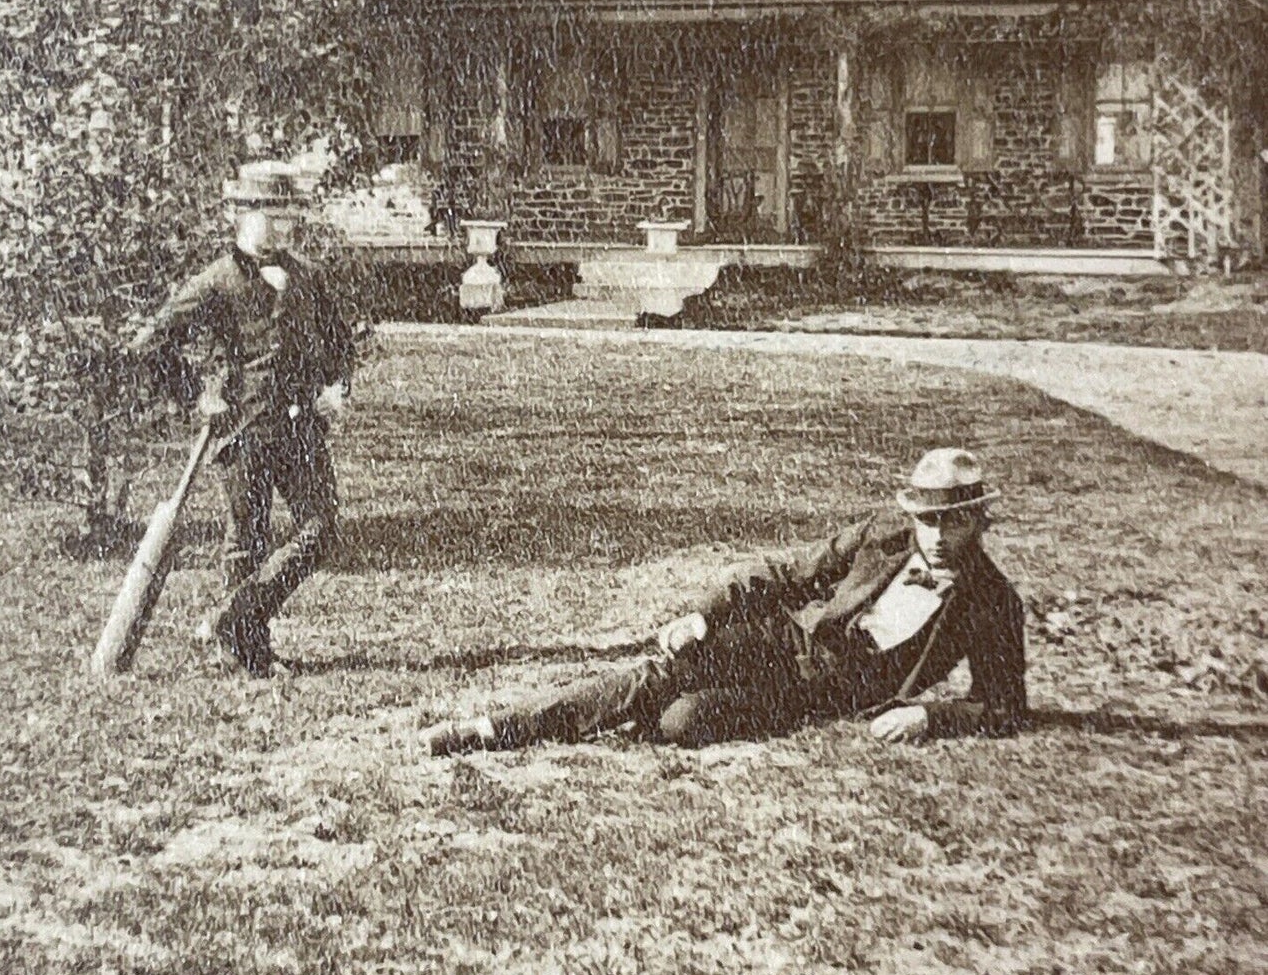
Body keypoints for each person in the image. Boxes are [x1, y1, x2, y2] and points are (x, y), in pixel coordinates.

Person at [424, 448, 1026, 755]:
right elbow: (784, 571)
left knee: (681, 720)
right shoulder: (884, 534)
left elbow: (1004, 708)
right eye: (928, 521)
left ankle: (536, 723)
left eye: (953, 523)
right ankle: (488, 730)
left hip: (823, 692)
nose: (938, 537)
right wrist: (702, 614)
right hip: (782, 640)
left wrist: (929, 716)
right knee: (661, 671)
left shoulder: (992, 601)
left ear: (979, 521)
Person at [128, 209, 357, 676]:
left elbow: (340, 344)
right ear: (241, 218)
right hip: (243, 430)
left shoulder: (306, 275)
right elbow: (152, 343)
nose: (279, 225)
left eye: (286, 214)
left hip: (300, 428)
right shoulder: (216, 280)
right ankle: (247, 651)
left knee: (320, 528)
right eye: (267, 214)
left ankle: (230, 617)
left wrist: (335, 388)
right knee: (246, 541)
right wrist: (197, 395)